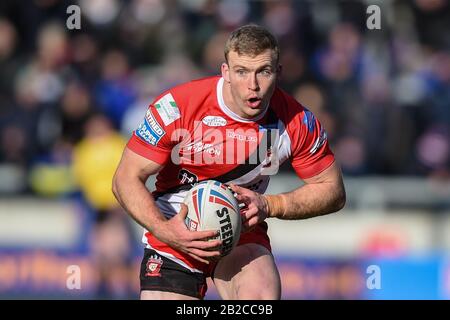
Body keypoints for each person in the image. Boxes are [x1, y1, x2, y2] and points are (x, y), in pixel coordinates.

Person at [112, 24, 346, 300]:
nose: (253, 85)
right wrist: (165, 230)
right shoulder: (178, 106)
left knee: (260, 298)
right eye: (242, 72)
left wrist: (271, 204)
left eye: (264, 71)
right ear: (225, 72)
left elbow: (332, 190)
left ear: (278, 73)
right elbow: (124, 179)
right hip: (175, 226)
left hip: (240, 232)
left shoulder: (297, 121)